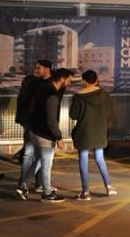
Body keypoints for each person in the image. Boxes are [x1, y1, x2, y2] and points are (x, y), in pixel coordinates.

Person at [21, 68, 74, 203]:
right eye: (69, 79)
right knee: (46, 165)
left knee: (38, 161)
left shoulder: (44, 90)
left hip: (35, 131)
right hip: (45, 135)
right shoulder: (52, 96)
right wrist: (59, 137)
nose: (70, 82)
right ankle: (47, 193)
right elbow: (51, 120)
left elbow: (33, 109)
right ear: (62, 79)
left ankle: (23, 185)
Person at [69, 70, 115, 200]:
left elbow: (73, 115)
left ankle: (86, 191)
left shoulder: (78, 96)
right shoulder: (104, 95)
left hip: (84, 131)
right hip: (99, 130)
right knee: (100, 158)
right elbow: (109, 114)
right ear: (96, 80)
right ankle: (109, 187)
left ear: (84, 81)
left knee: (83, 159)